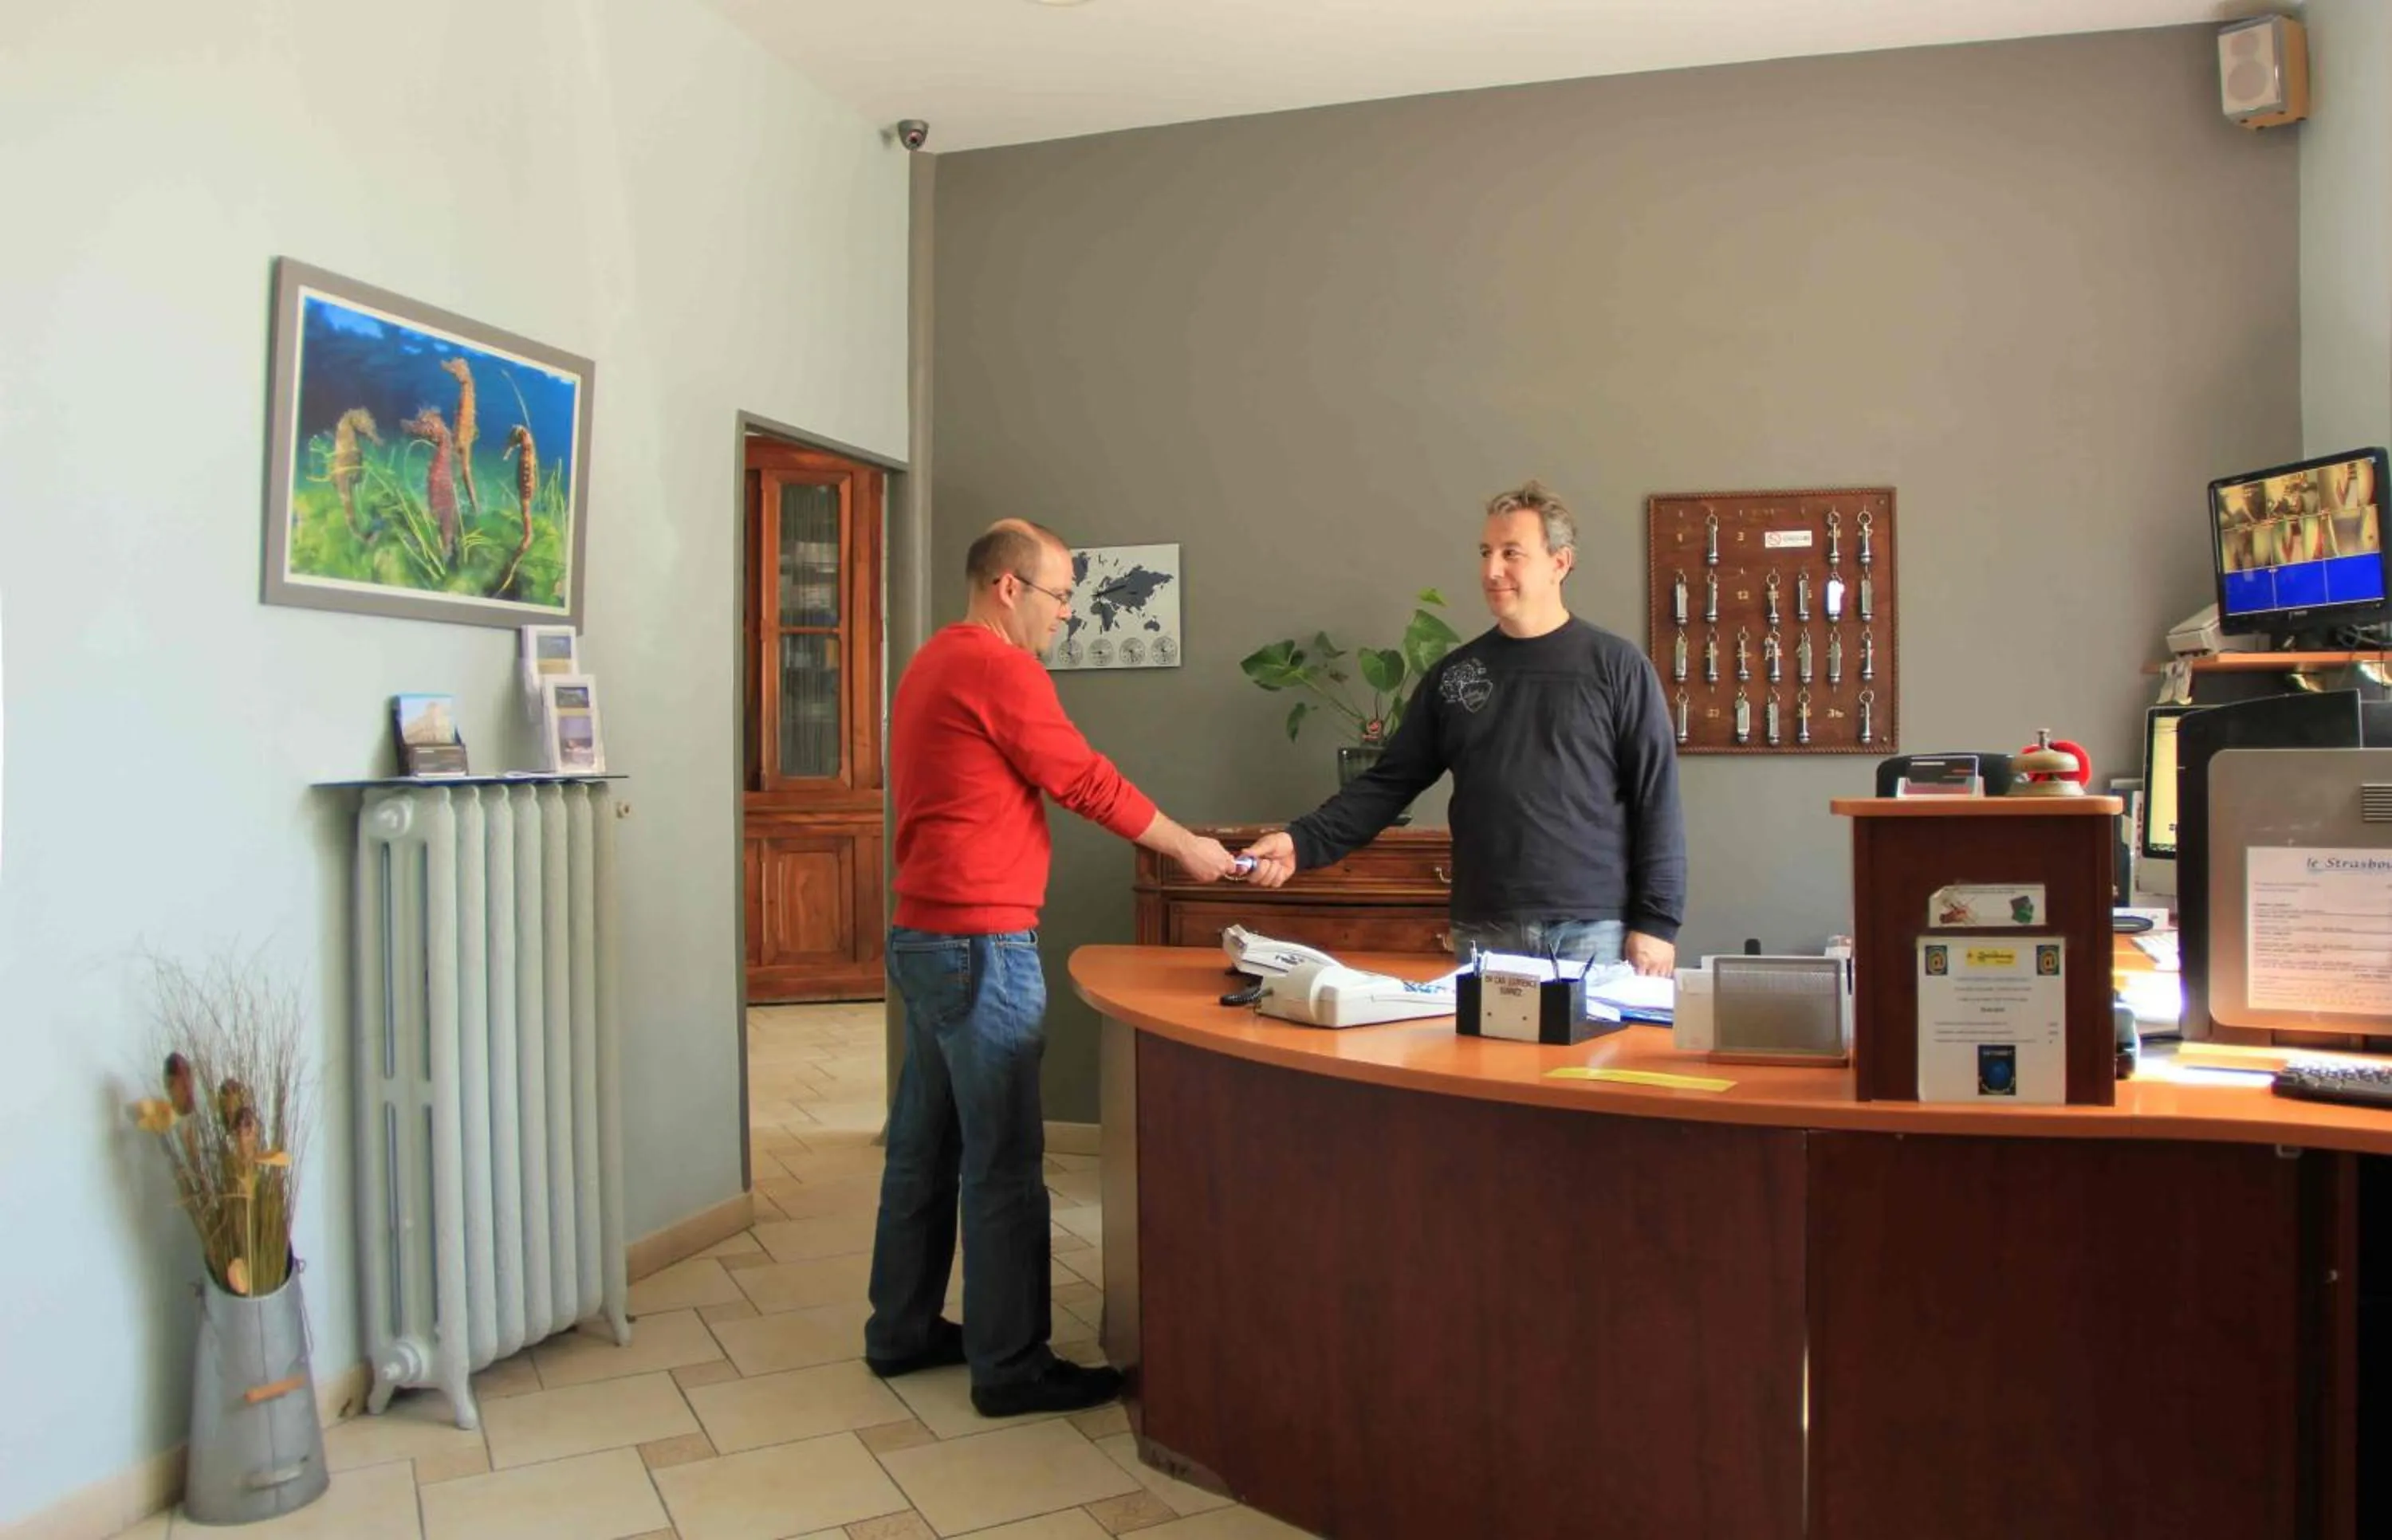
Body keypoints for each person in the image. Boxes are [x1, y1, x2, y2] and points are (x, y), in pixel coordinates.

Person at [864, 518, 1279, 1417]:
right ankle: (1011, 1368)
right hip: (980, 945)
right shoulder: (996, 665)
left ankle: (899, 1331)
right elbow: (1082, 778)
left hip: (925, 937)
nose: (1066, 617)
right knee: (1006, 1162)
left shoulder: (931, 660)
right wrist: (1188, 849)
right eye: (1058, 597)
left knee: (923, 1149)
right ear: (1009, 587)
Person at [1244, 481, 1686, 974]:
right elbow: (1389, 783)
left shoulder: (1618, 666)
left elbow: (1656, 797)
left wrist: (1658, 924)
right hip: (1484, 930)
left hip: (1593, 931)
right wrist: (1299, 842)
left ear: (1559, 563)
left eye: (1511, 553)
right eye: (1485, 552)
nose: (1491, 570)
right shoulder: (1454, 676)